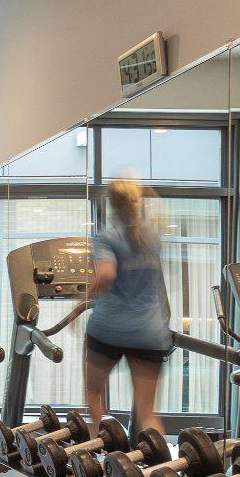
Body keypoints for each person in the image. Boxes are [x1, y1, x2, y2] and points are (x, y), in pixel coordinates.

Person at [84, 176, 173, 437]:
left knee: (94, 393)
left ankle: (97, 450)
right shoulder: (151, 237)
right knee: (147, 411)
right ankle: (157, 459)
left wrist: (84, 298)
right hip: (149, 333)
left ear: (111, 203)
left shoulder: (106, 237)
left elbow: (106, 275)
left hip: (108, 330)